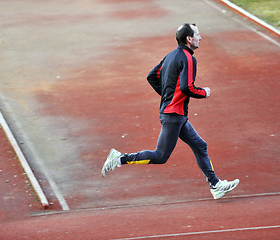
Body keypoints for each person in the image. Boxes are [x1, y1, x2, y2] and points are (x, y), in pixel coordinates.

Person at [101, 23, 239, 199]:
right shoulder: (189, 58)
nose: (200, 37)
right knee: (161, 156)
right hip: (173, 116)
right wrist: (203, 92)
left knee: (200, 146)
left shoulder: (170, 56)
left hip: (176, 114)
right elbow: (187, 87)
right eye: (197, 34)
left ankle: (215, 185)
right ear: (189, 39)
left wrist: (167, 96)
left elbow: (151, 76)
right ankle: (119, 159)